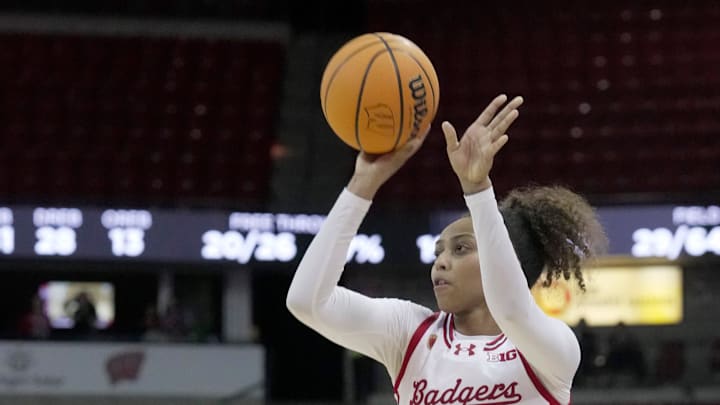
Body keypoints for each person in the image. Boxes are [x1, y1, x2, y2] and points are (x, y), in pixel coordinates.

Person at [286, 94, 607, 404]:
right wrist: (361, 186)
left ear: (507, 259)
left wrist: (478, 190)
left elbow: (510, 309)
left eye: (460, 249)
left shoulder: (555, 347)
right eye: (438, 251)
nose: (440, 262)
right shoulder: (409, 331)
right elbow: (307, 302)